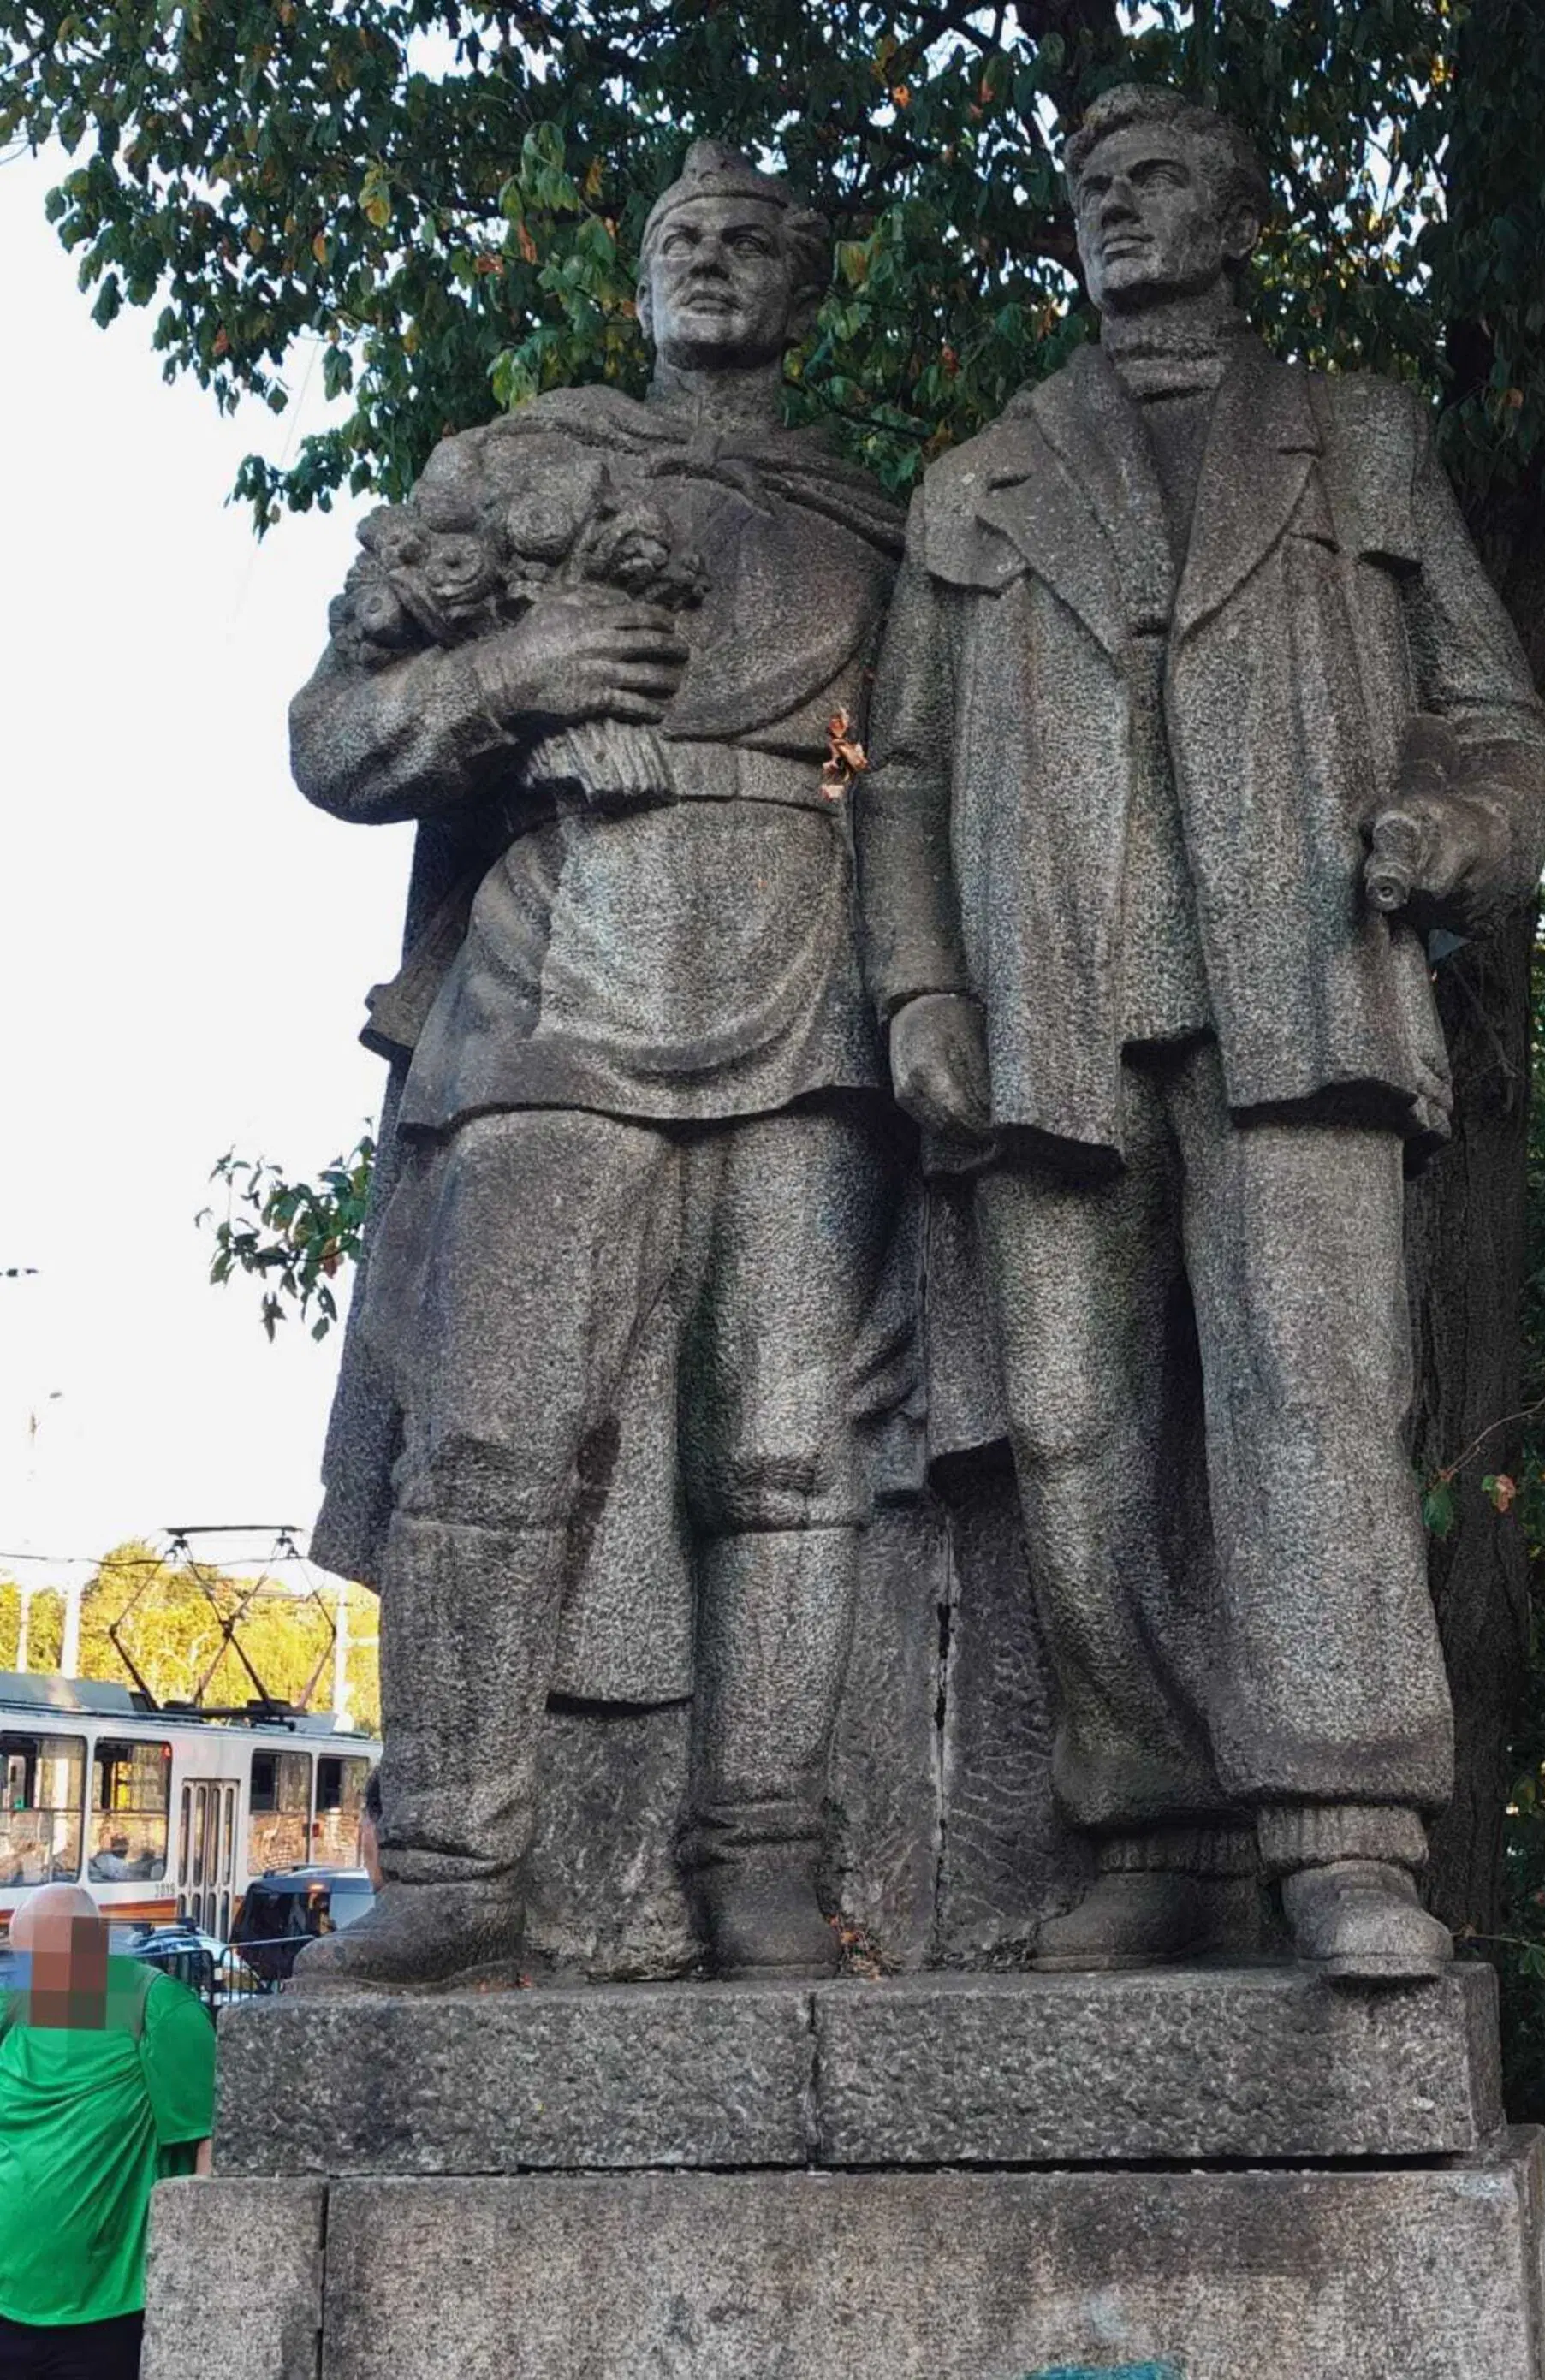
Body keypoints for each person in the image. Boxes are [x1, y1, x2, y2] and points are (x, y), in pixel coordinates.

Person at [859, 83, 1545, 1981]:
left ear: (1238, 219)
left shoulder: (1360, 436)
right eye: (1093, 183)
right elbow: (902, 775)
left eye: (1159, 177)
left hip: (1301, 985)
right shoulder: (981, 479)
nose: (1119, 205)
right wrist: (921, 985)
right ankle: (1152, 1825)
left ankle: (1347, 1834)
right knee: (1068, 1431)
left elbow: (1497, 718)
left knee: (1310, 1399)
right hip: (1051, 1007)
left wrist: (1455, 829)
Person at [288, 142, 908, 1991]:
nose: (711, 258)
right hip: (550, 986)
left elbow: (940, 785)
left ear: (805, 290)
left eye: (751, 239)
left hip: (808, 1000)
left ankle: (767, 1860)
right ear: (639, 281)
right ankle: (457, 1864)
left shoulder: (878, 524)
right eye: (679, 236)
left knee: (787, 1458)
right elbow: (334, 739)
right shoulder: (514, 472)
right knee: (491, 1441)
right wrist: (520, 676)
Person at [0, 1885, 215, 2380]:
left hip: (108, 2312)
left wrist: (192, 2281)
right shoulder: (16, 2008)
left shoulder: (155, 2006)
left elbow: (209, 2142)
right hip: (9, 2305)